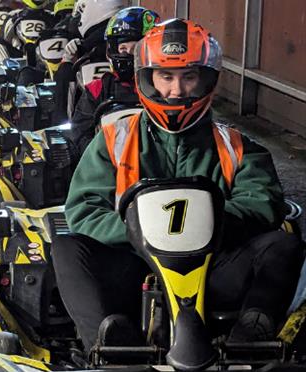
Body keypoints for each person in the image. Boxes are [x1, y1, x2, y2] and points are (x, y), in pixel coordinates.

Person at [52, 19, 304, 352]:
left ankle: (251, 334)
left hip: (213, 270)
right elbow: (84, 209)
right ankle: (109, 341)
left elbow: (263, 204)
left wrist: (201, 225)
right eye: (166, 77)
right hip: (136, 268)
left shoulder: (238, 147)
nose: (176, 90)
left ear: (206, 80)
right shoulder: (113, 140)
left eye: (189, 77)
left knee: (283, 245)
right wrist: (142, 231)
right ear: (148, 78)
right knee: (67, 246)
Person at [67, 6, 160, 162]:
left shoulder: (164, 86)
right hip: (109, 164)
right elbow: (80, 132)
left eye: (136, 48)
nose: (127, 54)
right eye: (123, 48)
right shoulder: (98, 88)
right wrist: (100, 159)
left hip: (156, 162)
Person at [51, 0, 128, 122]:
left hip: (96, 126)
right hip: (134, 119)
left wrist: (68, 60)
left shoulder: (82, 49)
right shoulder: (132, 38)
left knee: (65, 71)